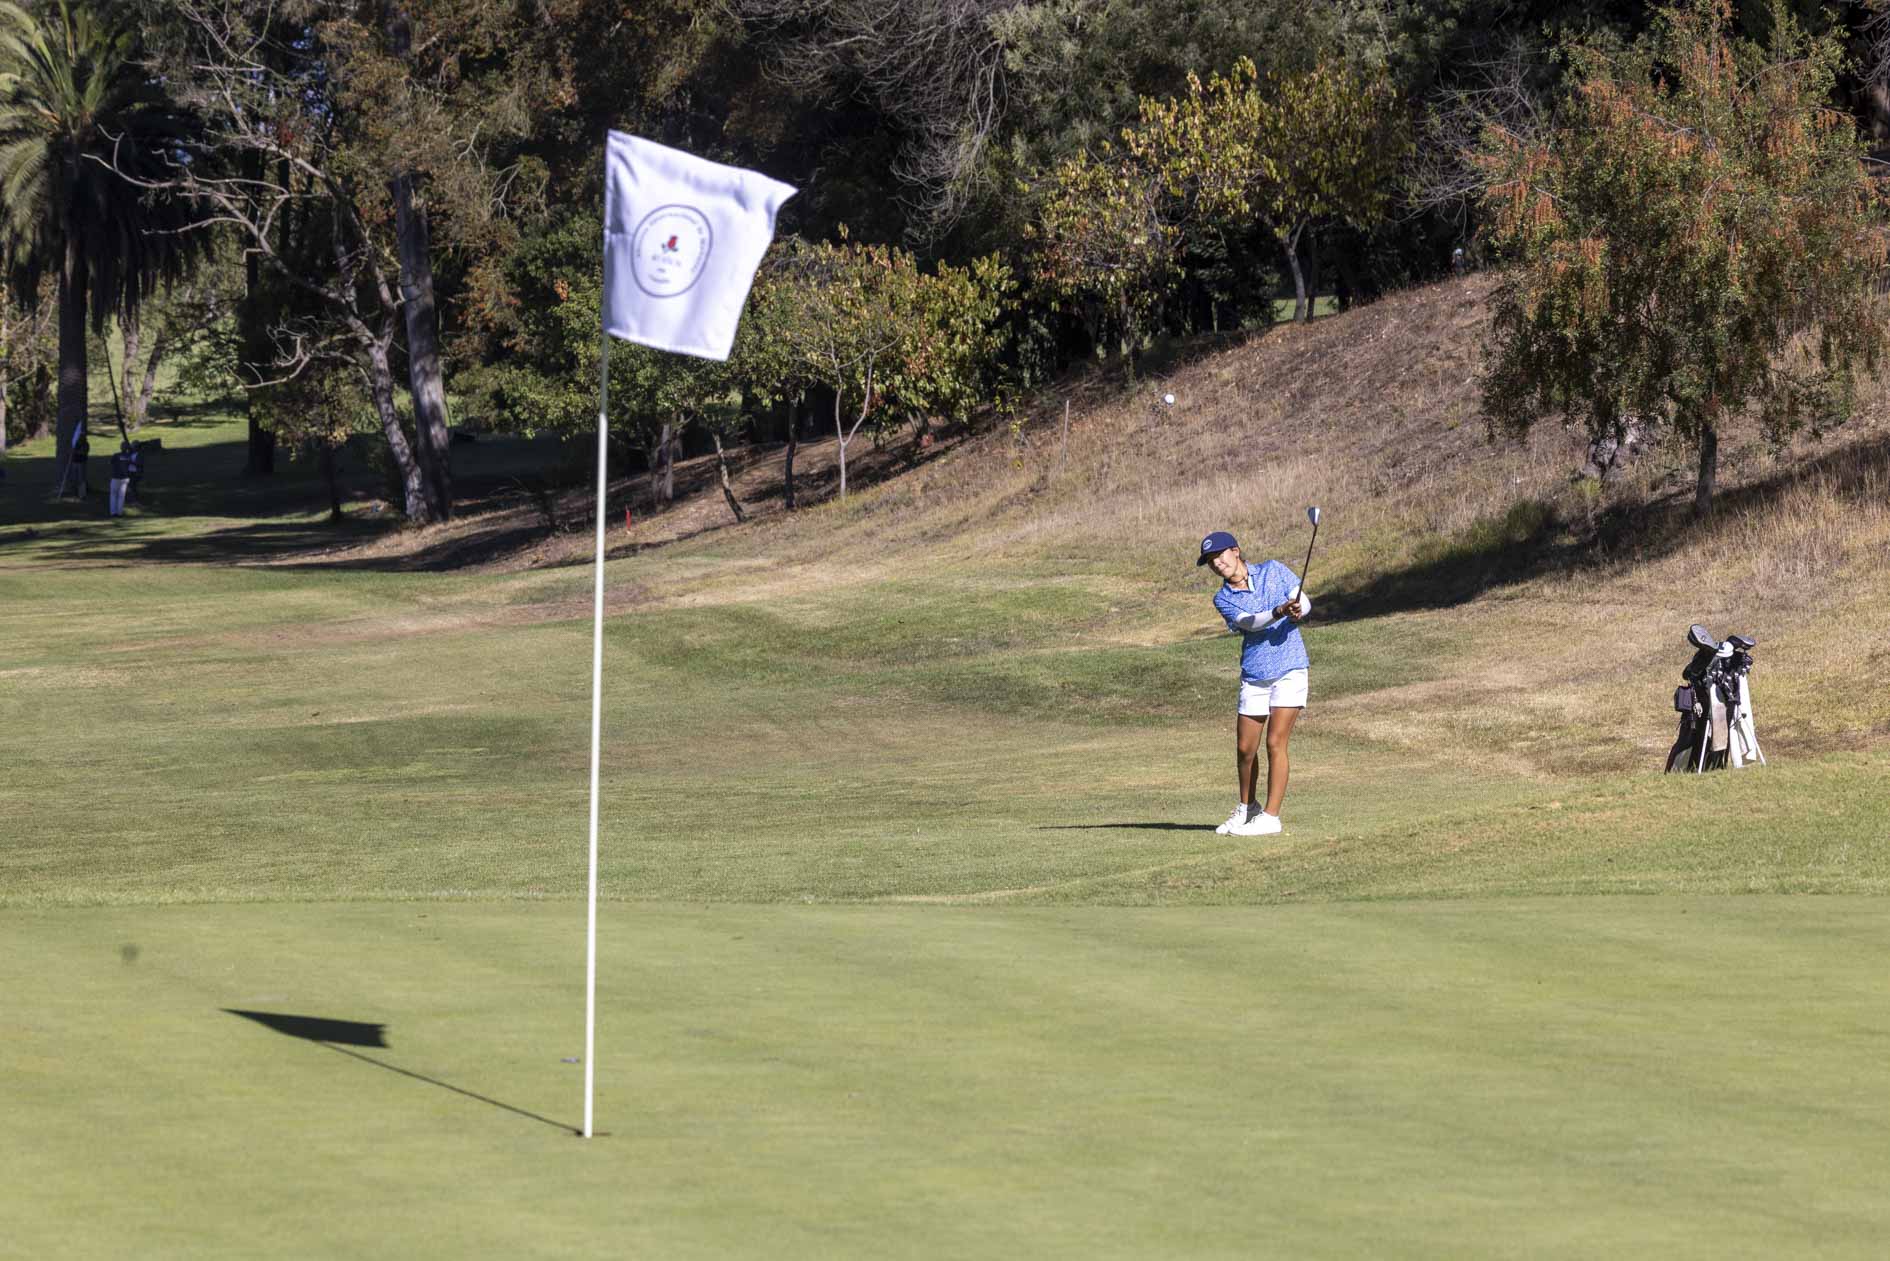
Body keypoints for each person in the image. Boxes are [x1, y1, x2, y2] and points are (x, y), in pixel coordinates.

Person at [1196, 530, 1311, 836]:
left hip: (1290, 668)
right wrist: (1279, 610)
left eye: (1220, 556)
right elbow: (1250, 622)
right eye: (1210, 561)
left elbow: (1303, 599)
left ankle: (1271, 817)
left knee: (1275, 742)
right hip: (1255, 674)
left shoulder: (1274, 569)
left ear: (1235, 550)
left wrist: (1298, 609)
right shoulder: (1223, 598)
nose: (1217, 564)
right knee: (1245, 749)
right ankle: (1248, 808)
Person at [108, 442, 134, 517]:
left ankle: (113, 512)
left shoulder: (116, 455)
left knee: (113, 495)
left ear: (121, 447)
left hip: (115, 477)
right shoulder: (129, 456)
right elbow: (131, 466)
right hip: (125, 478)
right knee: (121, 496)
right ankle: (119, 512)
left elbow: (110, 463)